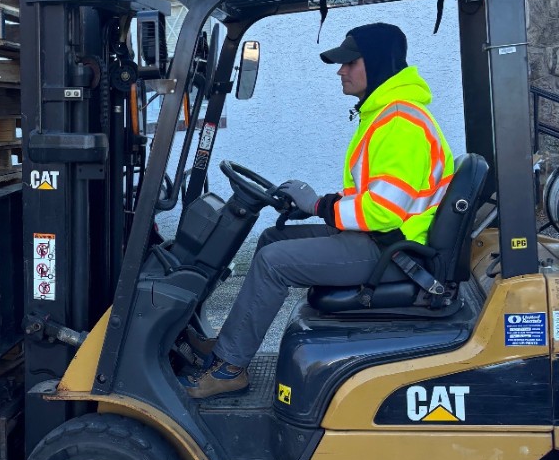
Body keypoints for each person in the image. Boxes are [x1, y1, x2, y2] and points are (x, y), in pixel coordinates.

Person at [184, 22, 455, 400]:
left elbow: (383, 212)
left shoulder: (400, 123)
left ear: (377, 62)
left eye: (349, 62)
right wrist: (318, 206)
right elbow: (374, 197)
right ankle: (229, 345)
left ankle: (229, 369)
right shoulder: (384, 115)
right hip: (384, 241)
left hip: (394, 252)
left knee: (273, 262)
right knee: (272, 239)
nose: (340, 71)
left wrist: (318, 205)